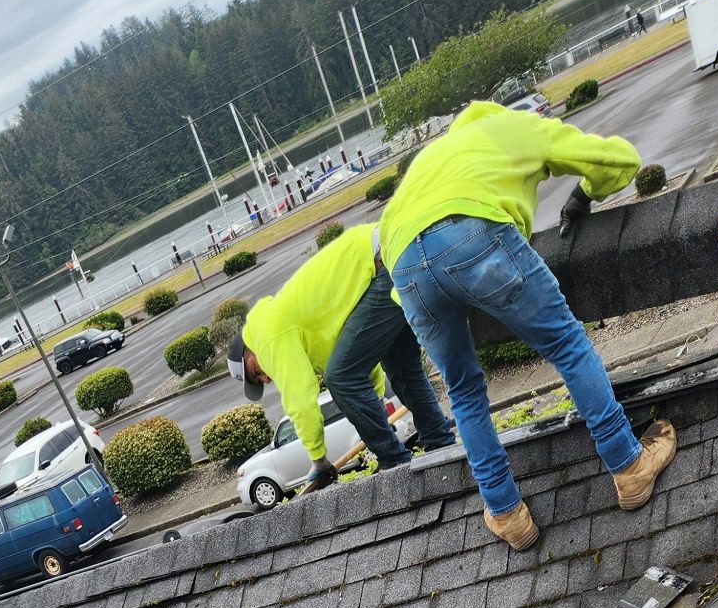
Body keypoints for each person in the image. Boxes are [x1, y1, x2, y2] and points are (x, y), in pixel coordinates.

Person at [379, 102, 677, 550]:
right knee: (566, 343)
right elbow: (618, 161)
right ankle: (628, 466)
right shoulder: (513, 126)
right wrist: (584, 194)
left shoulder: (434, 157)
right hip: (474, 231)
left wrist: (447, 291)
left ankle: (506, 514)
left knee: (461, 388)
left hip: (403, 263)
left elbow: (400, 264)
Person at [227, 222, 455, 488]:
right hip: (393, 252)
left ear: (248, 351)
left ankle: (395, 464)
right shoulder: (302, 327)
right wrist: (377, 403)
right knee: (402, 369)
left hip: (377, 264)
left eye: (255, 372)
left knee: (340, 377)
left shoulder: (266, 334)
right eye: (258, 382)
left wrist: (318, 459)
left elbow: (300, 400)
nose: (265, 379)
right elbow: (362, 359)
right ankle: (441, 445)